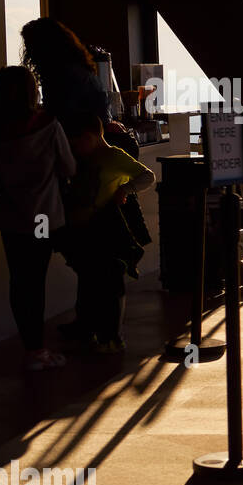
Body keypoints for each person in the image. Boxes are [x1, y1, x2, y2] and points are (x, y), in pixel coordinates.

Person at [0, 66, 76, 370]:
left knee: (19, 281)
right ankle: (38, 351)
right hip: (42, 218)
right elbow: (68, 167)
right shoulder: (47, 124)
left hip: (11, 217)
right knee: (35, 280)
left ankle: (31, 347)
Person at [58, 113, 155, 353]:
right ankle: (88, 327)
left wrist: (125, 188)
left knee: (108, 283)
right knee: (89, 281)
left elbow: (147, 176)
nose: (75, 150)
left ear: (89, 137)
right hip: (85, 230)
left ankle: (110, 335)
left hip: (104, 229)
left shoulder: (113, 157)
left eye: (77, 143)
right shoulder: (87, 158)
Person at [20, 18, 109, 139]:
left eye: (29, 45)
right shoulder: (79, 70)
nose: (28, 52)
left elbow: (60, 119)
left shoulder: (61, 76)